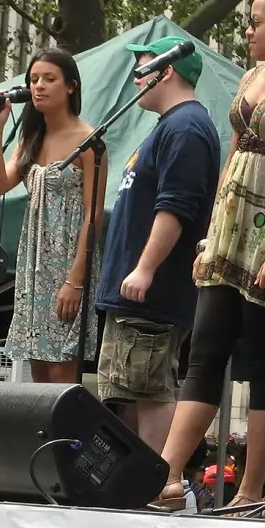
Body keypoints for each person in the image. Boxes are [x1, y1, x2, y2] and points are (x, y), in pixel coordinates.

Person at [154, 0, 265, 512]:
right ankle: (168, 475)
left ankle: (251, 487)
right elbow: (234, 154)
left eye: (257, 21)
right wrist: (210, 233)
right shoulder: (251, 77)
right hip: (231, 227)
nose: (249, 31)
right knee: (204, 349)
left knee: (264, 359)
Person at [96, 36, 220, 450]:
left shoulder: (186, 128)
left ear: (166, 72)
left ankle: (163, 485)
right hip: (129, 292)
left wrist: (145, 268)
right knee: (125, 391)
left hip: (153, 292)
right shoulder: (169, 126)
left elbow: (177, 207)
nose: (135, 80)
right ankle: (133, 486)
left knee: (149, 389)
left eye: (142, 69)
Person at [0, 48, 102, 383]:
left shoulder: (88, 140)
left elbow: (93, 213)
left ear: (70, 86)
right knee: (38, 376)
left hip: (68, 264)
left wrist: (75, 280)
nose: (38, 86)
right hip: (34, 265)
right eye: (34, 79)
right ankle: (44, 437)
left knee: (61, 374)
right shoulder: (31, 140)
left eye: (49, 79)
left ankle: (66, 438)